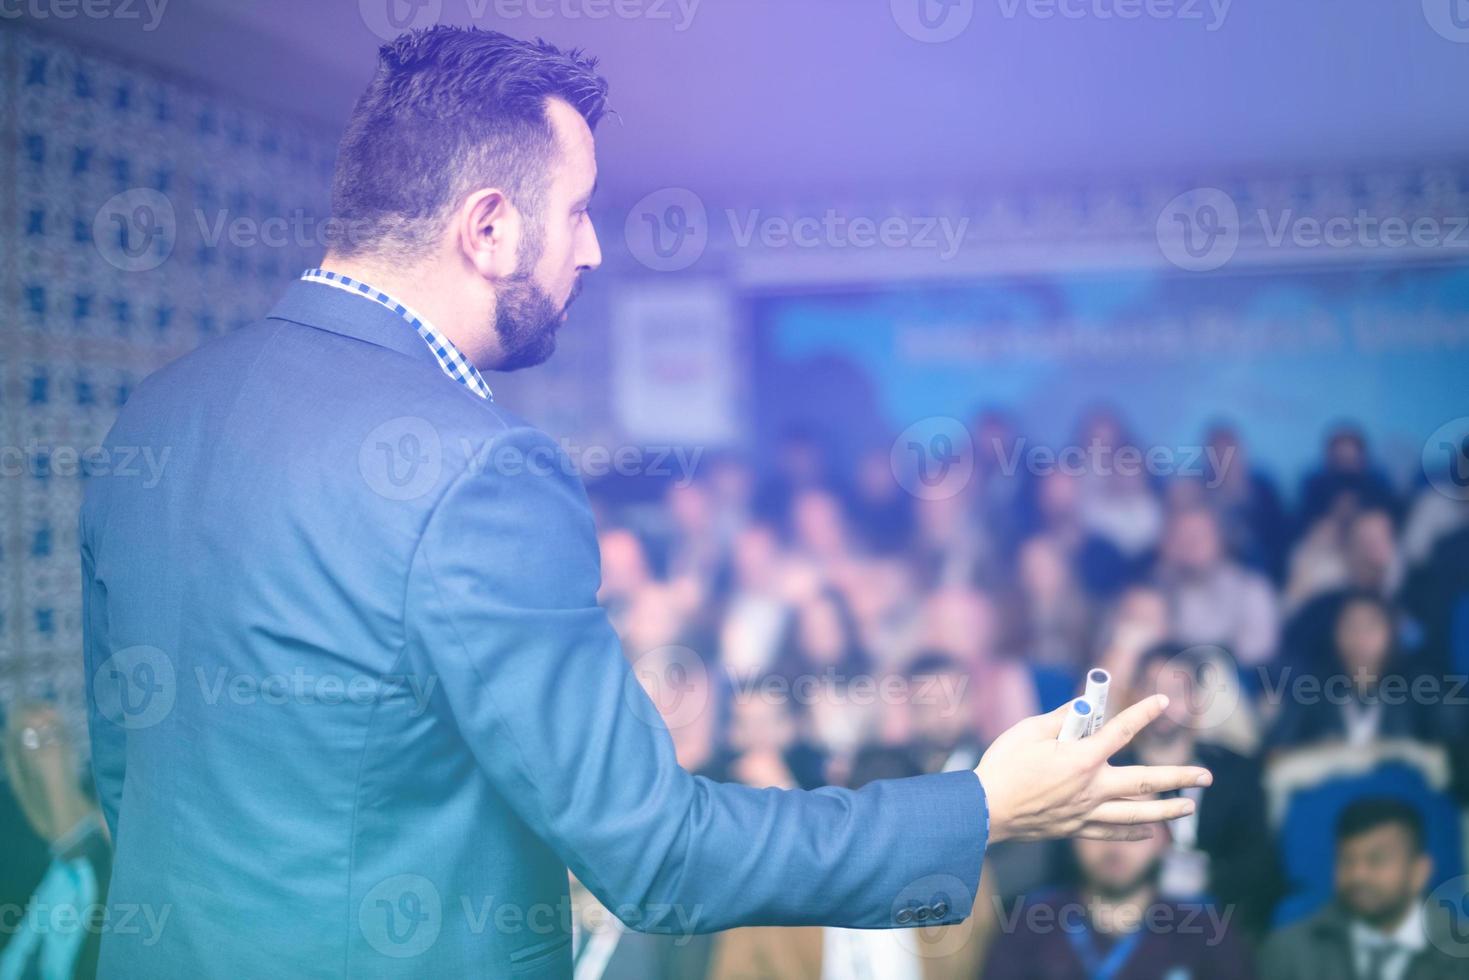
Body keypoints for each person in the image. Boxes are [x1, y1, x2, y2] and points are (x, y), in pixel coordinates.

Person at [80, 27, 1209, 977]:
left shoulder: (157, 413)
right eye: (576, 212)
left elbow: (132, 771)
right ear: (488, 228)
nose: (595, 249)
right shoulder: (480, 467)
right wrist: (979, 806)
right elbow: (657, 853)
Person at [982, 803, 1255, 980]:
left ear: (1164, 838)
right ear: (1071, 836)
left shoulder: (1206, 928)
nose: (1115, 845)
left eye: (1134, 828)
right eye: (1098, 828)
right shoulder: (1028, 923)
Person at [1261, 798, 1467, 979]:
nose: (1358, 875)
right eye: (1347, 861)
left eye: (1376, 860)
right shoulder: (1290, 951)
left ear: (1420, 871)